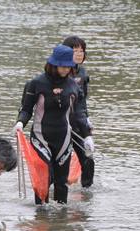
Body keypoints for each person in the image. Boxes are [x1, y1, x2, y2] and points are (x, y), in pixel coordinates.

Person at [14, 44, 93, 204]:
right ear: (53, 64)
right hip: (41, 136)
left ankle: (60, 220)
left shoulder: (73, 86)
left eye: (68, 67)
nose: (65, 70)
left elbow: (78, 114)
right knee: (45, 176)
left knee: (61, 181)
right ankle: (41, 215)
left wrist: (87, 136)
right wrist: (20, 123)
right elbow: (26, 109)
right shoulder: (36, 83)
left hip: (64, 138)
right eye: (61, 66)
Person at [62, 35, 95, 188]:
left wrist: (87, 121)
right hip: (60, 124)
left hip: (77, 122)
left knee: (87, 157)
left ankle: (86, 189)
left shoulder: (82, 73)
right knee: (61, 159)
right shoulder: (59, 72)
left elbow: (82, 101)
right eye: (75, 51)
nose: (79, 54)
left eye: (82, 51)